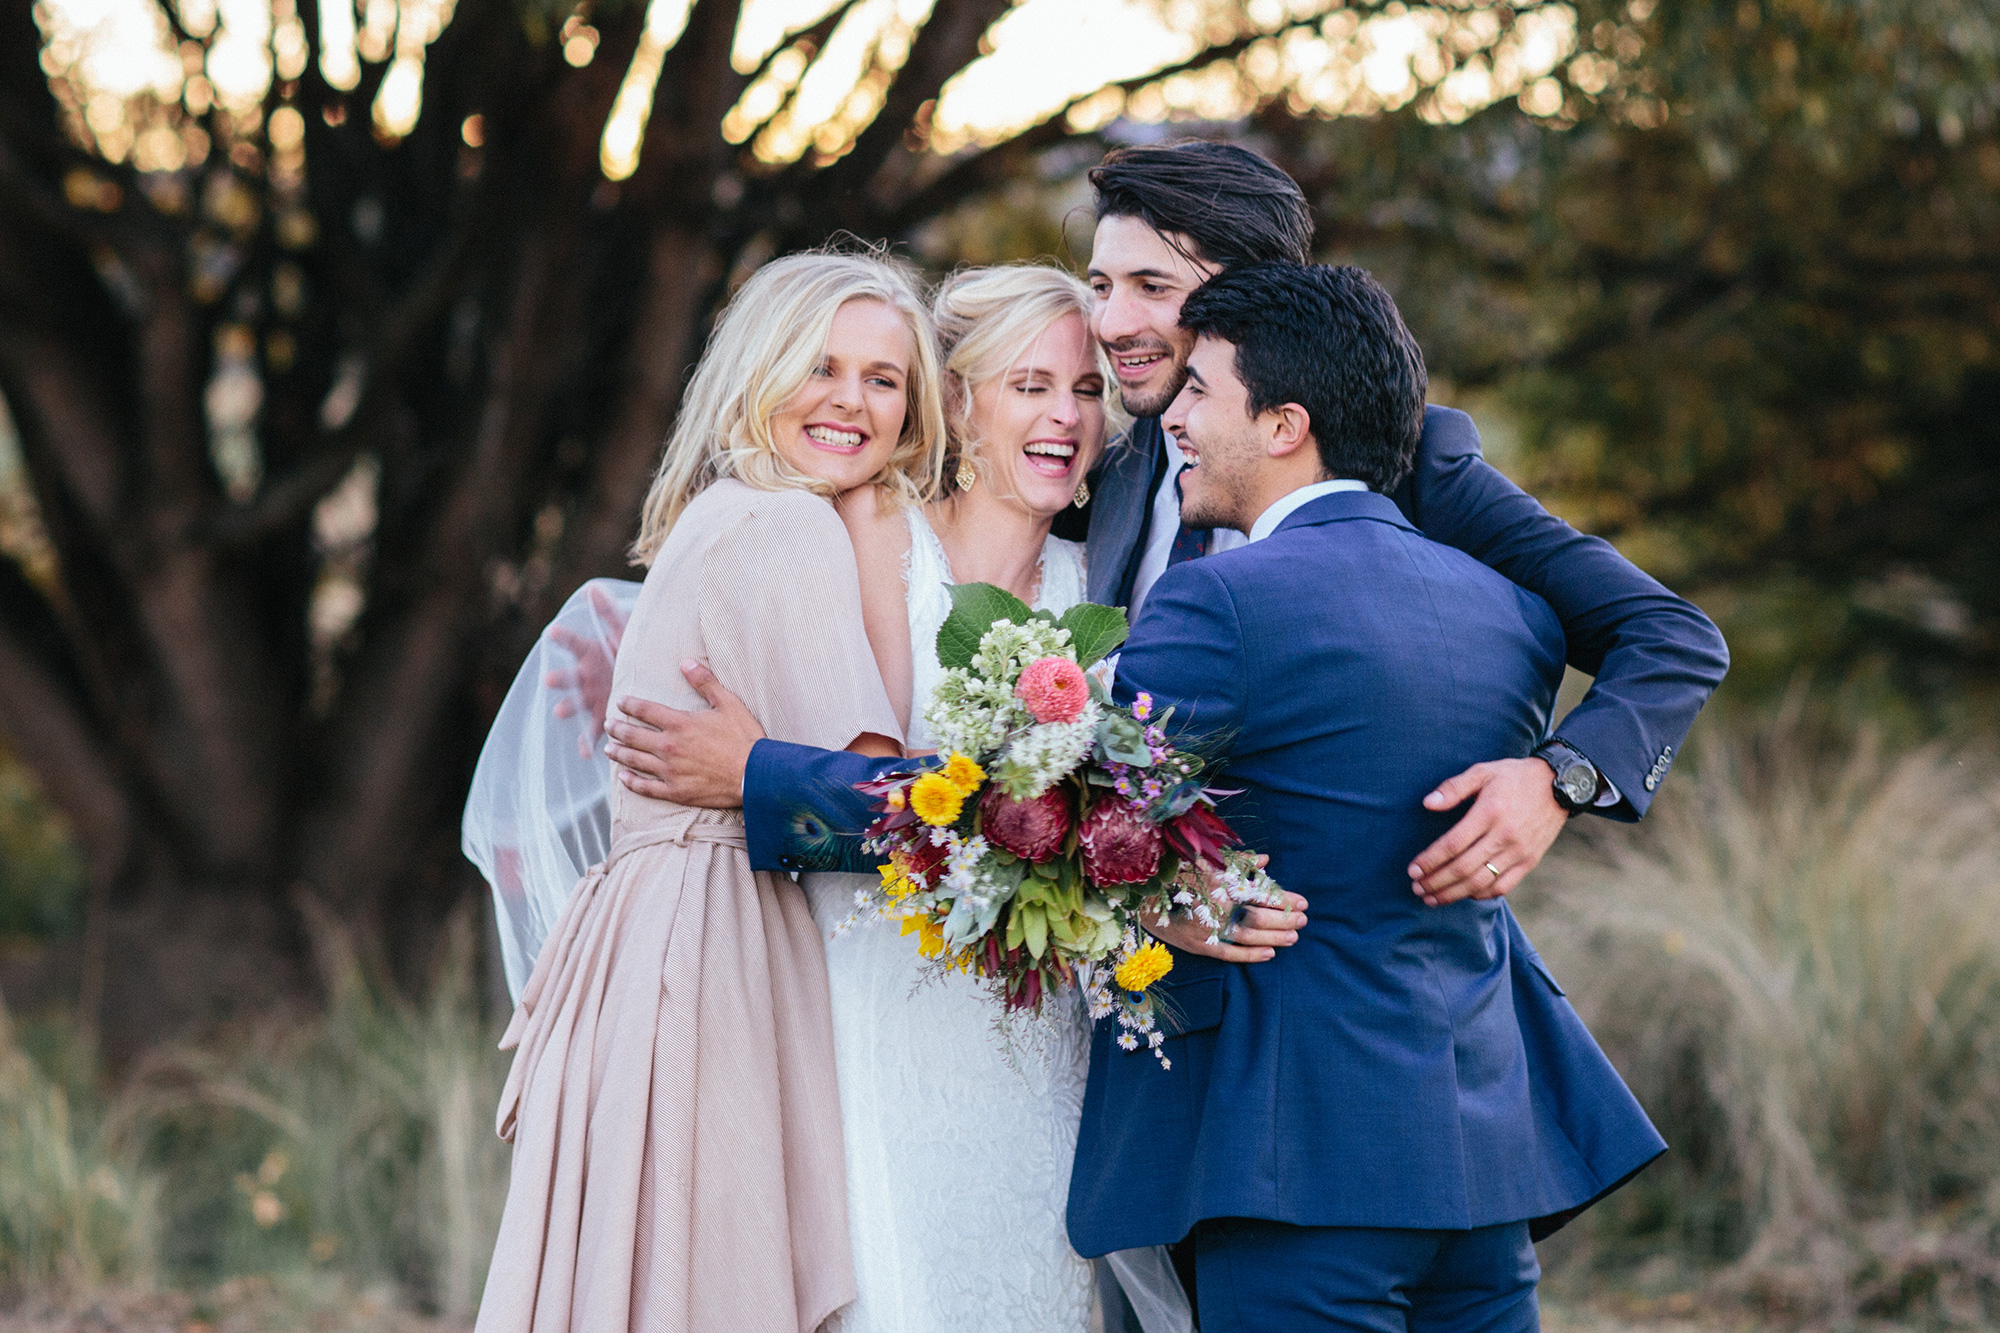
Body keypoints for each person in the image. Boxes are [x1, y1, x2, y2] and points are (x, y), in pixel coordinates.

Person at [604, 139, 1728, 939]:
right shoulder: (1106, 461)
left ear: (1248, 299)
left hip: (1332, 970)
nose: (1113, 324)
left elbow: (1664, 634)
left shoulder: (1400, 458)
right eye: (1100, 284)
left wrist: (1555, 778)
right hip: (1114, 976)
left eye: (1152, 284)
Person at [1069, 258, 1665, 1331]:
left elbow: (1061, 809)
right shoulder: (1513, 615)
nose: (1174, 419)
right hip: (1480, 1166)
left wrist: (772, 782)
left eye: (1200, 390)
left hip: (1295, 1172)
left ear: (1285, 423)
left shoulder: (1218, 600)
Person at [473, 250, 946, 1333]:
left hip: (653, 934)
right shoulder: (790, 526)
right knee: (713, 1275)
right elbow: (877, 801)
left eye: (883, 379)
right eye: (818, 366)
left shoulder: (718, 512)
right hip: (713, 937)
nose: (850, 401)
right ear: (755, 370)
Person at [809, 263, 1202, 1333]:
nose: (1065, 418)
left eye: (1085, 393)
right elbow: (851, 771)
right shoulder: (876, 540)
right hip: (887, 1000)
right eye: (1030, 385)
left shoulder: (1102, 591)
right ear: (960, 397)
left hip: (1046, 1032)